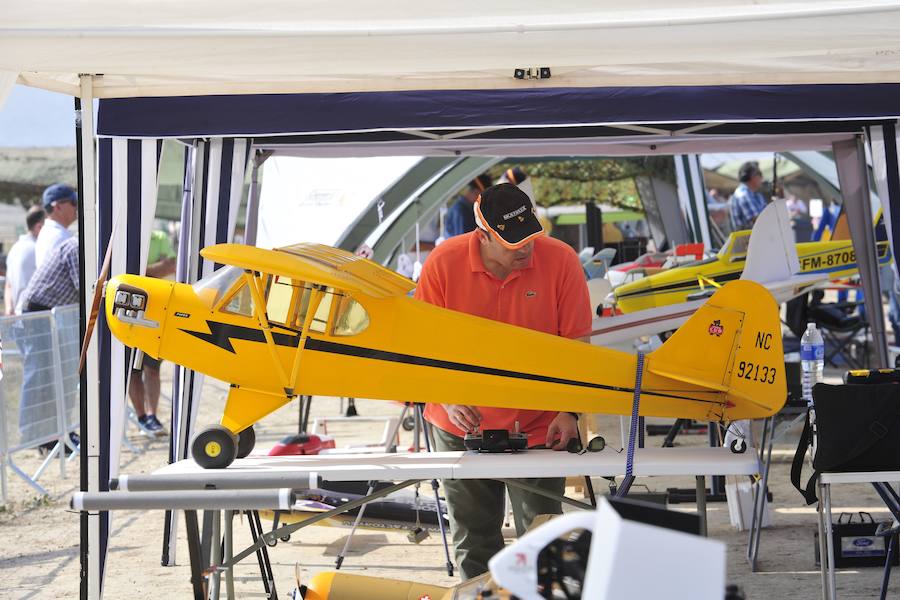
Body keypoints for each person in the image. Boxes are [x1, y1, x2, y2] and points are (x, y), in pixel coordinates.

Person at [415, 183, 591, 580]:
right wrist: (447, 397)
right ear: (483, 235)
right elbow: (421, 346)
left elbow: (578, 349)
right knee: (474, 540)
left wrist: (569, 411)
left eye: (530, 236)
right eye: (514, 242)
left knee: (544, 537)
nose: (526, 248)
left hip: (540, 423)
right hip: (458, 425)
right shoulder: (443, 262)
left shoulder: (561, 259)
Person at [19, 237, 80, 454]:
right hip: (39, 313)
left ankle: (55, 434)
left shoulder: (74, 245)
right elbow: (84, 288)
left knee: (55, 376)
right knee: (43, 376)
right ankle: (39, 436)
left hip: (48, 313)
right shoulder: (76, 247)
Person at [128, 230, 176, 436]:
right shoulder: (127, 236)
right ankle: (142, 418)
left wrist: (140, 274)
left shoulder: (160, 237)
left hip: (156, 314)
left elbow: (171, 266)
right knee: (133, 371)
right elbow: (165, 268)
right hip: (129, 316)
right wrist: (157, 270)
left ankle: (151, 416)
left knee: (152, 369)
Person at [5, 206, 45, 315]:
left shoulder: (14, 248)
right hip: (33, 316)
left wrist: (9, 308)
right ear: (39, 227)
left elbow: (8, 284)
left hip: (17, 316)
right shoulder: (38, 249)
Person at [35, 183, 78, 269]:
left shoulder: (50, 232)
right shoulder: (59, 236)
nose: (76, 206)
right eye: (73, 202)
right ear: (58, 207)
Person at [729, 162, 767, 231]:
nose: (762, 177)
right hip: (749, 237)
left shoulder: (757, 194)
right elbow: (759, 221)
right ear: (752, 176)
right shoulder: (743, 195)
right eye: (759, 174)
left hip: (760, 234)